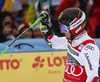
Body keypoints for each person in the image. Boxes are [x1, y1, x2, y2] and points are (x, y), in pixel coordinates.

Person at [39, 7, 99, 82]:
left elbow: (93, 77)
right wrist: (45, 27)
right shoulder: (72, 40)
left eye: (64, 28)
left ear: (75, 27)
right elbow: (53, 43)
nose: (61, 31)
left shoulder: (88, 48)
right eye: (60, 27)